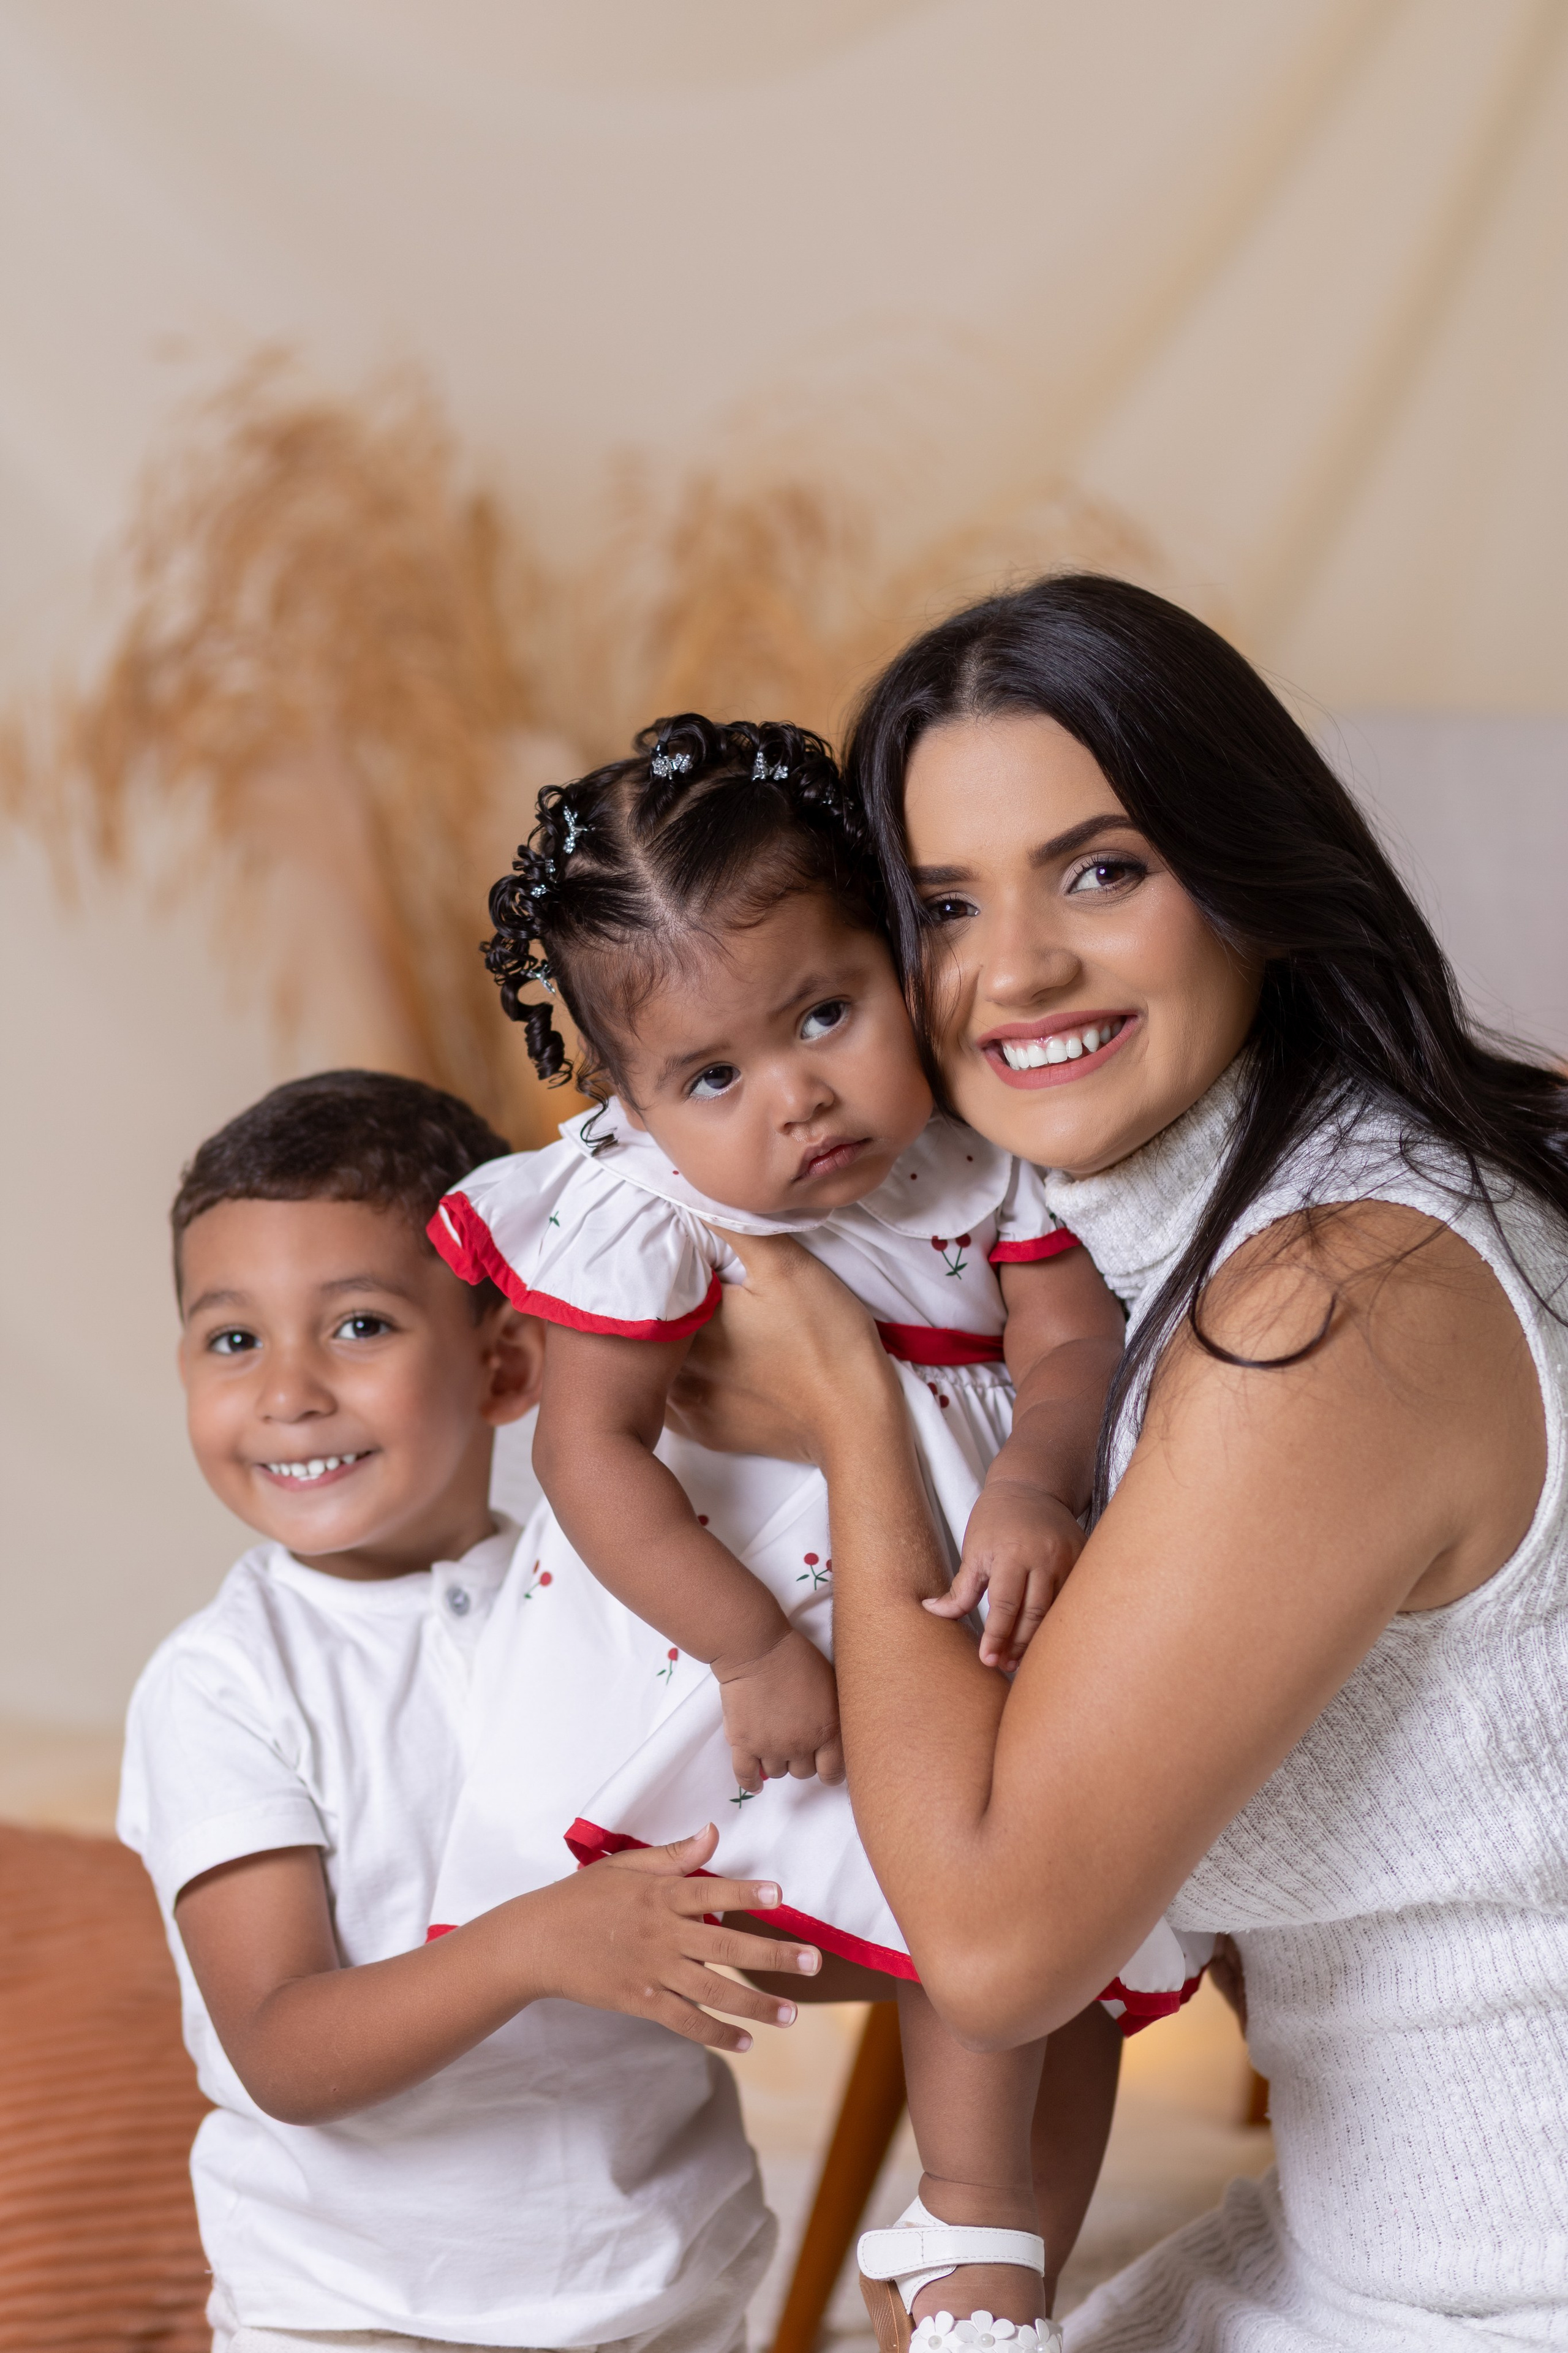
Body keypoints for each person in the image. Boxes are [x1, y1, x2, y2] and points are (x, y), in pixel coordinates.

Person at [663, 575, 1568, 2350]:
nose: (1015, 971)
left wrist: (847, 1404)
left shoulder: (1339, 1297)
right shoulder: (1177, 1247)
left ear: (1246, 874)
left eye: (1100, 871)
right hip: (1354, 2241)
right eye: (943, 904)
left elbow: (998, 1943)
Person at [426, 714, 1210, 2352]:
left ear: (896, 963)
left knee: (1048, 1941)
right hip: (761, 1632)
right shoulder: (655, 1207)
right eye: (712, 1076)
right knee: (954, 1918)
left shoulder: (980, 1153)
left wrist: (1033, 1479)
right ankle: (971, 2234)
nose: (795, 1098)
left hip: (977, 1599)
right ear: (634, 1099)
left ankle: (988, 2258)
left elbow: (1069, 1343)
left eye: (826, 1014)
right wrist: (746, 1649)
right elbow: (588, 1451)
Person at [118, 1069, 823, 2353]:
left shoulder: (624, 1598)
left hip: (667, 2289)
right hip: (353, 2318)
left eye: (359, 1325)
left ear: (505, 1365)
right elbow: (280, 2047)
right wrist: (529, 1944)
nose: (287, 1390)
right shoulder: (222, 1682)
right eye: (232, 1340)